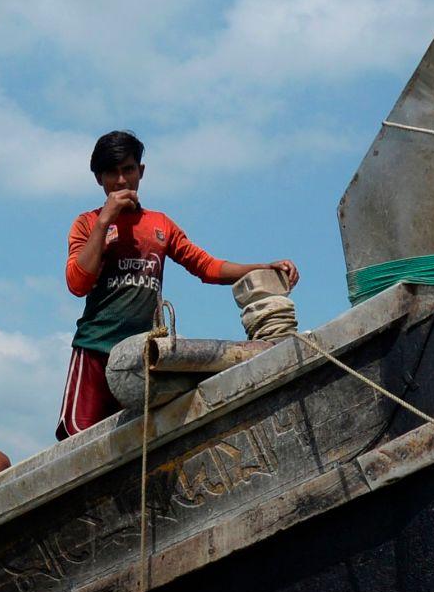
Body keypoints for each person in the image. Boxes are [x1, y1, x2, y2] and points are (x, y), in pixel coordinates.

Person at [59, 130, 298, 438]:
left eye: (128, 170)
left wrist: (263, 267)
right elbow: (77, 282)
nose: (121, 181)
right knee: (79, 440)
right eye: (111, 173)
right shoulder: (87, 223)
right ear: (99, 179)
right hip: (94, 350)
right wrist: (105, 221)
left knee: (136, 441)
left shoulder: (160, 225)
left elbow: (207, 267)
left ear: (140, 172)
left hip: (141, 355)